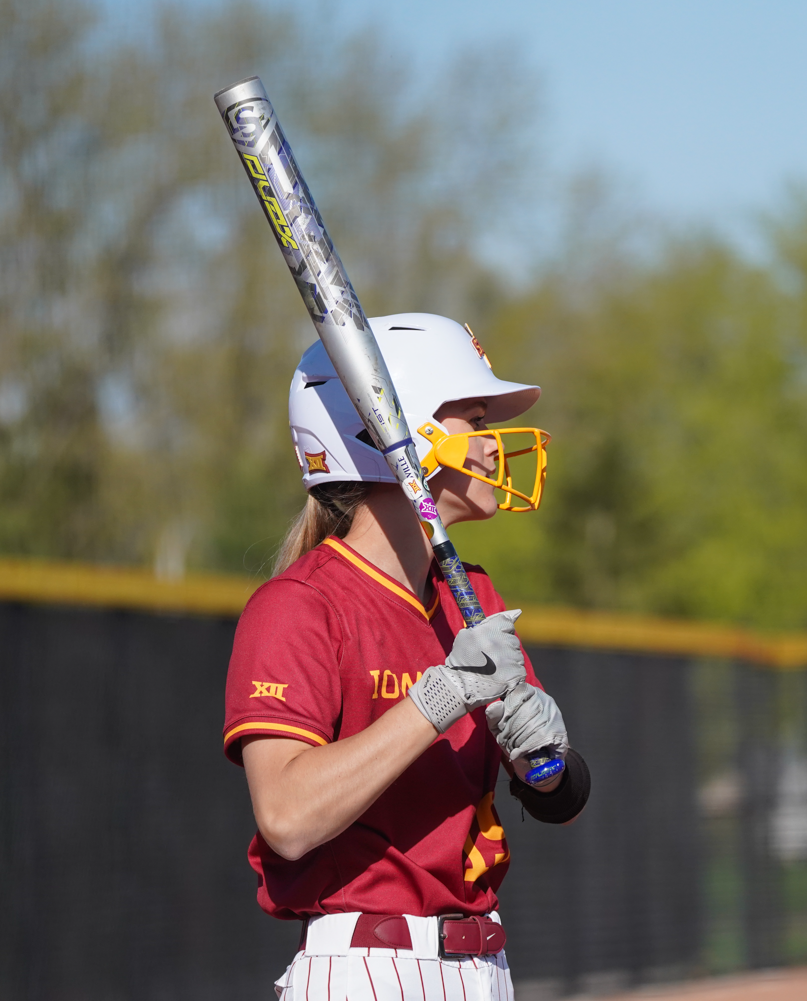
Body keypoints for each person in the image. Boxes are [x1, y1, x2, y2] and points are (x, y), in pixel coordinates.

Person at [223, 313, 590, 1000]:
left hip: (483, 963)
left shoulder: (469, 592)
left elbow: (562, 800)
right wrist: (438, 696)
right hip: (367, 965)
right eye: (472, 420)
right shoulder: (299, 603)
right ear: (391, 431)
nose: (489, 446)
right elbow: (287, 817)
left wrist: (546, 765)